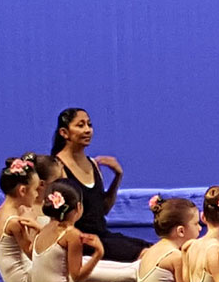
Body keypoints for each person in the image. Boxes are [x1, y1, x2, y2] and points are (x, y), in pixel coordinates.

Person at [50, 108, 150, 262]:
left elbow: (102, 210)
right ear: (64, 132)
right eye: (80, 125)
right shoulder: (58, 168)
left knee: (154, 249)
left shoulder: (93, 164)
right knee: (145, 255)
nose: (87, 130)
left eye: (89, 125)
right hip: (83, 240)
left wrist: (118, 177)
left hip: (102, 234)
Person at [30, 182, 140, 282]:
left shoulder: (44, 229)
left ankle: (133, 270)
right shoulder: (71, 234)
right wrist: (98, 252)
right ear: (78, 207)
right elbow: (77, 277)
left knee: (93, 270)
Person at [138, 196, 201, 282]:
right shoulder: (175, 256)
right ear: (181, 231)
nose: (200, 228)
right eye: (196, 224)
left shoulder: (153, 249)